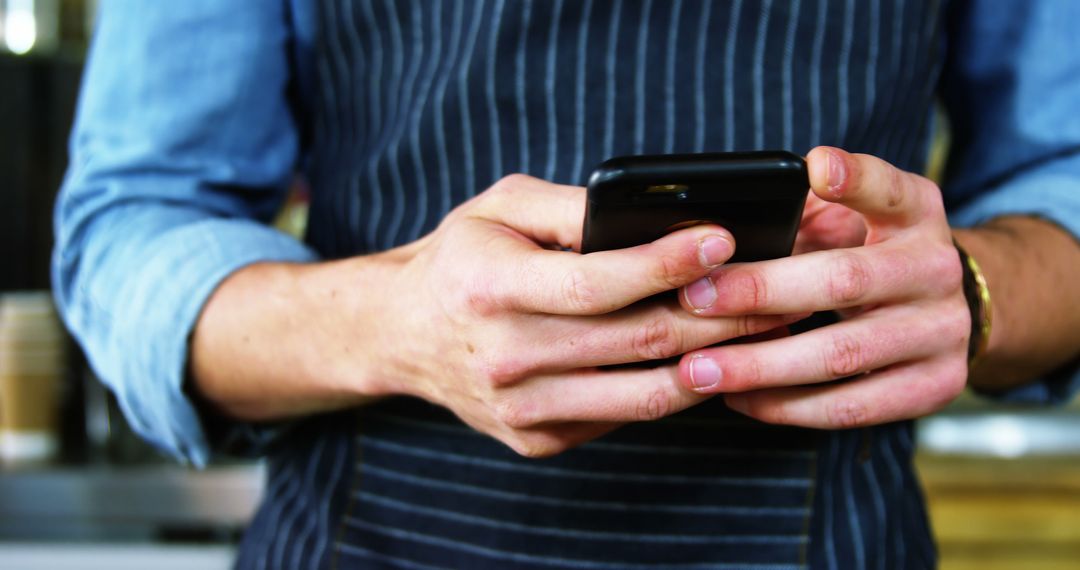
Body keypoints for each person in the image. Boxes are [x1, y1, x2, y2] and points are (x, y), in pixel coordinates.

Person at [54, 1, 1079, 568]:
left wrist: (975, 289)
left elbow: (1063, 182)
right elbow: (129, 226)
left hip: (830, 541)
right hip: (375, 542)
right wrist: (397, 323)